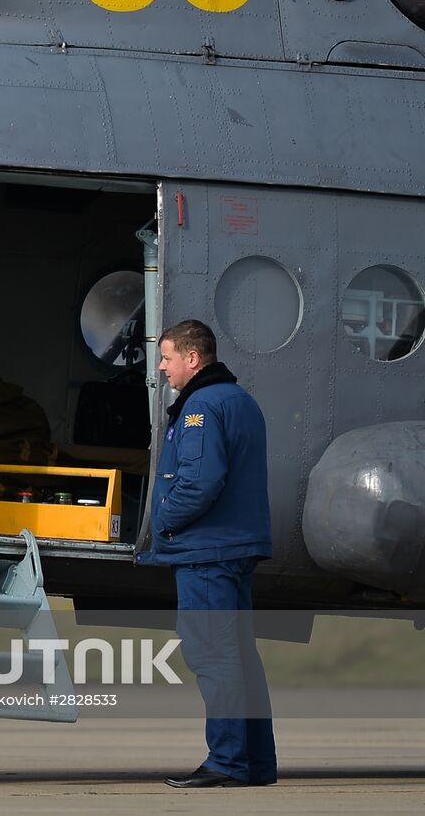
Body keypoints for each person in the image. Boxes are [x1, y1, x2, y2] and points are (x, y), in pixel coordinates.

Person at [137, 319, 276, 788]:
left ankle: (227, 763)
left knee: (213, 656)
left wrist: (162, 522)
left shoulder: (200, 406)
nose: (162, 367)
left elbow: (199, 481)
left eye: (168, 357)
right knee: (238, 656)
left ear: (192, 359)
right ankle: (255, 763)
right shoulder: (241, 400)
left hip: (207, 552)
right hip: (234, 549)